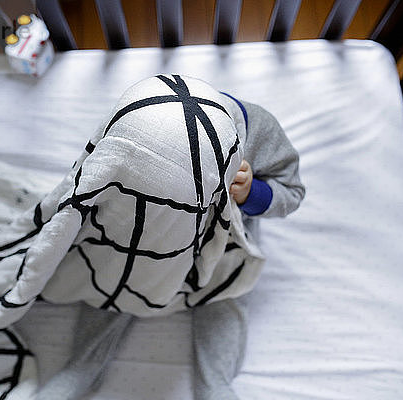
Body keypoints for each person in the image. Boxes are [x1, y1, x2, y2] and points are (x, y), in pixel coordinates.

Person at [37, 76, 305, 400]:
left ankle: (215, 385)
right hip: (142, 240)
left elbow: (292, 191)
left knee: (224, 302)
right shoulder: (133, 125)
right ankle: (79, 369)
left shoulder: (257, 131)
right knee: (107, 288)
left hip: (222, 249)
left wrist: (252, 193)